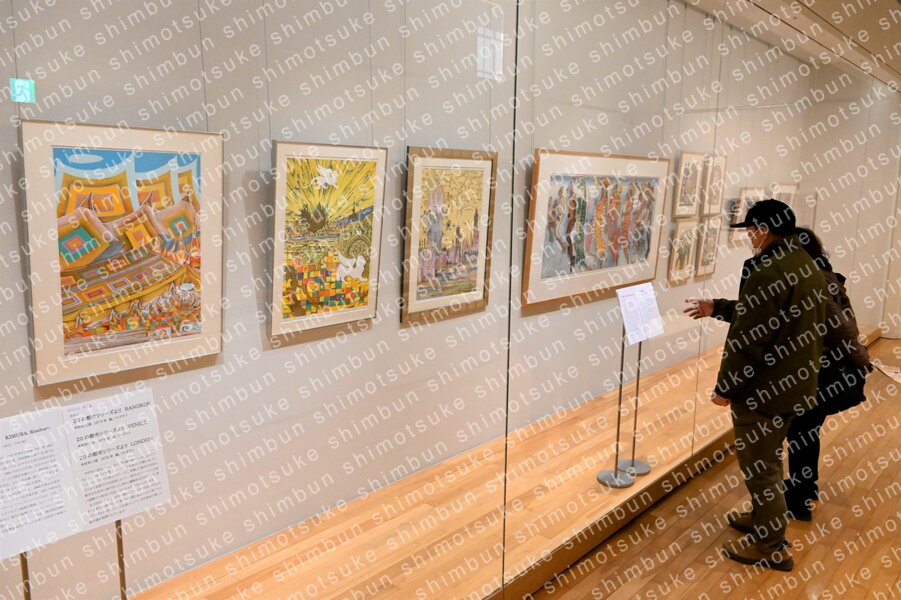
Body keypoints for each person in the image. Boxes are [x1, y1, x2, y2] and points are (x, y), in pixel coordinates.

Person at [683, 200, 827, 572]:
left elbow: (748, 340)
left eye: (751, 230)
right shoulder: (805, 263)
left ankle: (771, 546)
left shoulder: (768, 270)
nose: (749, 237)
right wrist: (717, 307)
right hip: (794, 386)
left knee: (761, 468)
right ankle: (765, 520)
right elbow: (766, 315)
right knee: (769, 460)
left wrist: (726, 387)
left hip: (766, 391)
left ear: (764, 229)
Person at [783, 228, 872, 519]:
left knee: (801, 431)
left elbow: (841, 327)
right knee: (806, 430)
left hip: (820, 372)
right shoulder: (825, 276)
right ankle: (805, 487)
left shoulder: (814, 282)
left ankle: (798, 501)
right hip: (821, 371)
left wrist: (861, 359)